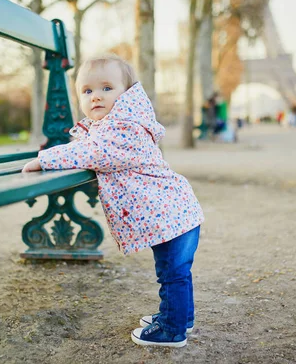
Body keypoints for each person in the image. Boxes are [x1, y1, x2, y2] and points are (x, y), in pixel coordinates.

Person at [22, 54, 204, 348]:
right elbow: (90, 145)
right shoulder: (113, 126)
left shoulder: (124, 129)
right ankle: (179, 317)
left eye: (107, 88)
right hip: (171, 214)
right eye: (87, 90)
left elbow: (93, 152)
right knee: (174, 272)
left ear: (127, 93)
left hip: (172, 215)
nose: (96, 97)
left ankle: (172, 329)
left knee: (172, 273)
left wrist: (45, 158)